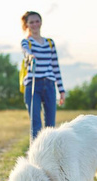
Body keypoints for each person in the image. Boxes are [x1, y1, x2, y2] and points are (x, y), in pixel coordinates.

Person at [21, 11, 65, 140]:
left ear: (41, 22)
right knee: (36, 125)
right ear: (26, 25)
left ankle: (50, 156)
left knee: (51, 126)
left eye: (37, 21)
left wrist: (61, 90)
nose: (35, 24)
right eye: (31, 22)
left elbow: (56, 67)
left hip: (50, 85)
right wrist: (30, 56)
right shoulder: (26, 42)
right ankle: (36, 157)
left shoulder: (50, 43)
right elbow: (25, 52)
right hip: (33, 85)